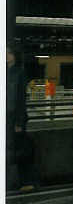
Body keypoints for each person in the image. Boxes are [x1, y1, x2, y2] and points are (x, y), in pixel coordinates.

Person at [7, 43, 36, 191]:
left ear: (14, 56)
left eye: (8, 53)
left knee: (20, 150)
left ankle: (27, 181)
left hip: (15, 118)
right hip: (7, 117)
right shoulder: (6, 72)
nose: (5, 55)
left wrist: (19, 121)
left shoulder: (19, 73)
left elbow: (20, 99)